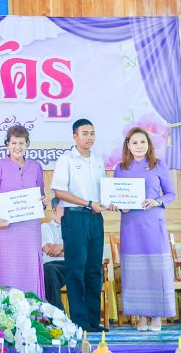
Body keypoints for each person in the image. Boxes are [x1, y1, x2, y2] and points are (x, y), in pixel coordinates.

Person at [112, 127, 176, 332]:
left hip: (153, 224)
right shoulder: (120, 168)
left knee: (156, 269)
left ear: (149, 144)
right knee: (134, 272)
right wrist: (119, 205)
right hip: (130, 226)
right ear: (128, 146)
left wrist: (157, 201)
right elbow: (116, 197)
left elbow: (171, 194)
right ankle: (140, 316)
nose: (139, 146)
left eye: (142, 142)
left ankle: (157, 316)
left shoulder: (158, 165)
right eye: (134, 143)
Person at [50, 118, 108, 332]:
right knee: (76, 270)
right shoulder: (65, 159)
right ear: (75, 136)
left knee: (94, 270)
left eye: (92, 133)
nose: (89, 137)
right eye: (84, 133)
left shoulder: (98, 161)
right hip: (74, 218)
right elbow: (59, 191)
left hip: (95, 219)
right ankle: (79, 322)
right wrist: (88, 203)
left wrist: (111, 202)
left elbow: (104, 191)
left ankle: (93, 321)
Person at [0, 124, 48, 297]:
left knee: (30, 270)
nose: (17, 147)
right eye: (13, 143)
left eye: (21, 143)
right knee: (7, 272)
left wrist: (43, 202)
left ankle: (32, 310)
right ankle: (5, 311)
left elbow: (40, 195)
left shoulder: (36, 166)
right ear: (7, 144)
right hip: (5, 229)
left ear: (28, 144)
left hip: (30, 230)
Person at [41, 197, 66, 311]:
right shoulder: (46, 227)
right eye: (64, 208)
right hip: (55, 266)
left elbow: (82, 249)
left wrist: (60, 247)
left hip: (74, 263)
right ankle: (58, 315)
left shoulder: (75, 228)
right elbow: (50, 251)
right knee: (48, 270)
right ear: (55, 210)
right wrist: (72, 248)